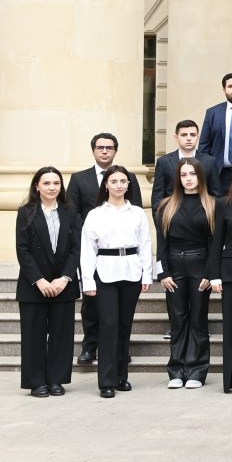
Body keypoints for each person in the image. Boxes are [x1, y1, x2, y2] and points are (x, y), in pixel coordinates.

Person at [67, 133, 143, 369]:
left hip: (123, 255)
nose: (104, 151)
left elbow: (136, 207)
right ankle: (90, 345)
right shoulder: (79, 179)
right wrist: (88, 238)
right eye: (100, 147)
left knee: (119, 312)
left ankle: (120, 350)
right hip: (92, 248)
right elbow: (72, 212)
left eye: (109, 147)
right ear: (93, 150)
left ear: (115, 151)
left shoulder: (128, 178)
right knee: (91, 303)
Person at [80, 166, 152, 398]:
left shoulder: (137, 213)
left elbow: (145, 244)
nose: (119, 185)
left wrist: (147, 274)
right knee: (109, 324)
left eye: (123, 181)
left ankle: (122, 376)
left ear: (128, 184)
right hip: (105, 272)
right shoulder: (96, 214)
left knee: (124, 325)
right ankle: (106, 381)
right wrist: (88, 281)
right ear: (106, 185)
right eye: (114, 181)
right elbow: (88, 249)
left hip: (131, 271)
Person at [15, 167, 80, 397]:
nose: (52, 187)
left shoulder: (71, 212)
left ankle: (56, 380)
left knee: (62, 335)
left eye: (56, 183)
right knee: (33, 335)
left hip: (63, 283)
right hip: (34, 285)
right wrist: (39, 280)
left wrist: (65, 278)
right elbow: (22, 249)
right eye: (47, 183)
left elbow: (77, 248)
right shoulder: (26, 212)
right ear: (37, 186)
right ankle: (36, 382)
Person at [154, 157, 216, 389]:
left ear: (200, 176)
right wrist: (163, 273)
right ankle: (177, 371)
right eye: (183, 175)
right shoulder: (166, 205)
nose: (188, 179)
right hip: (174, 266)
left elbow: (214, 243)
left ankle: (196, 371)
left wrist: (210, 273)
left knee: (198, 319)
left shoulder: (212, 204)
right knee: (178, 319)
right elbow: (161, 243)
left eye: (192, 174)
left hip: (200, 265)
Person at [152, 119, 223, 209]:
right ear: (176, 137)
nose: (189, 138)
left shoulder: (209, 161)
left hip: (202, 213)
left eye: (192, 135)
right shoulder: (164, 162)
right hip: (172, 213)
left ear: (198, 137)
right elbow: (157, 195)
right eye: (184, 135)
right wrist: (159, 217)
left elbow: (216, 194)